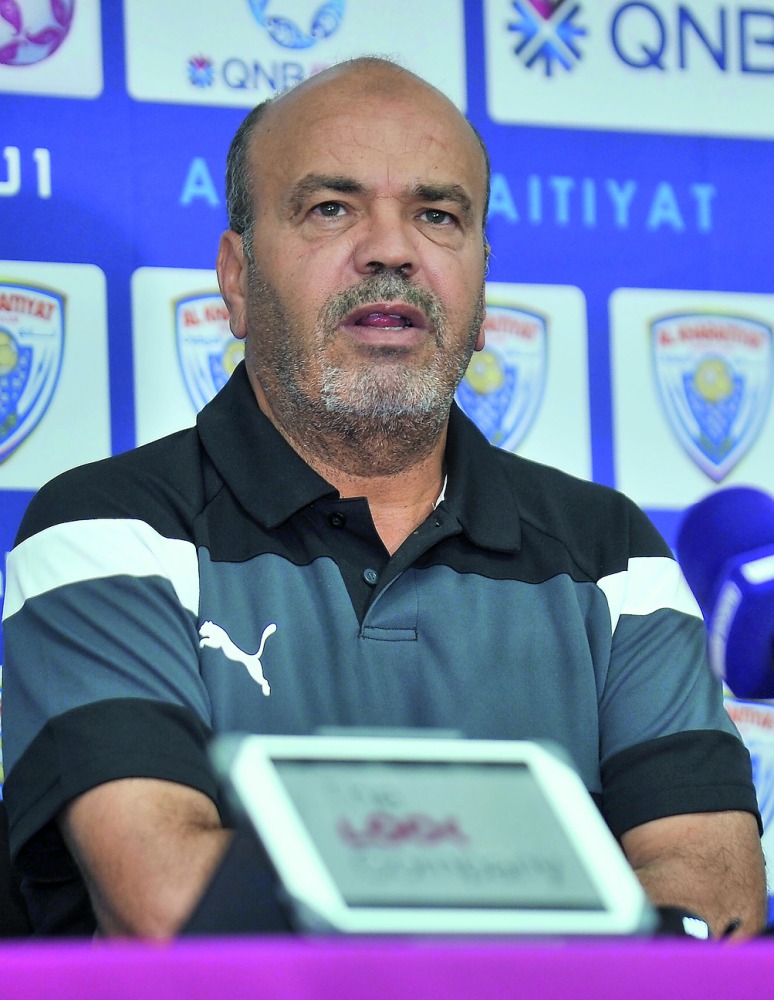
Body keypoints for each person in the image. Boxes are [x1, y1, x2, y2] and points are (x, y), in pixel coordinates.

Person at [1, 57, 766, 940]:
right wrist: (563, 907)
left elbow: (718, 910)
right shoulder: (110, 530)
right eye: (332, 208)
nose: (392, 249)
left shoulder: (611, 554)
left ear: (481, 287)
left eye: (437, 215)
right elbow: (168, 902)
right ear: (238, 278)